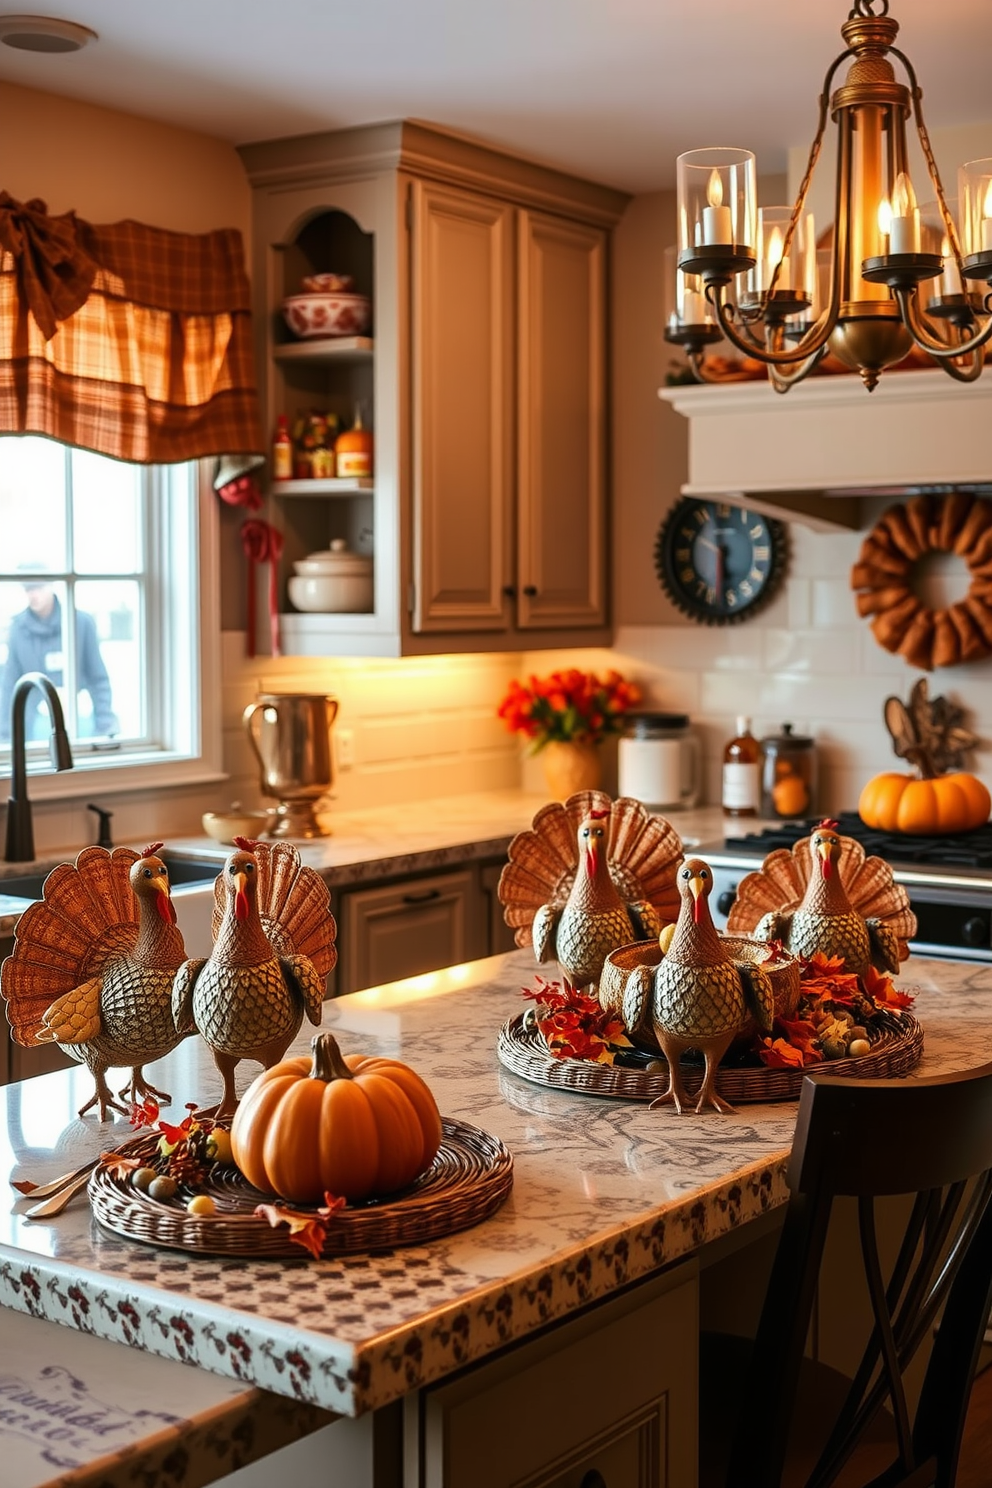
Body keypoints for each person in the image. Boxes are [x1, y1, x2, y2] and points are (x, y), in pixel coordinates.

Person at [0, 582, 117, 742]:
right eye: (28, 589)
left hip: (78, 718)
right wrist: (6, 734)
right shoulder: (17, 629)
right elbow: (9, 683)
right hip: (34, 722)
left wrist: (105, 725)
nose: (33, 594)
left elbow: (98, 678)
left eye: (38, 587)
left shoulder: (81, 622)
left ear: (51, 585)